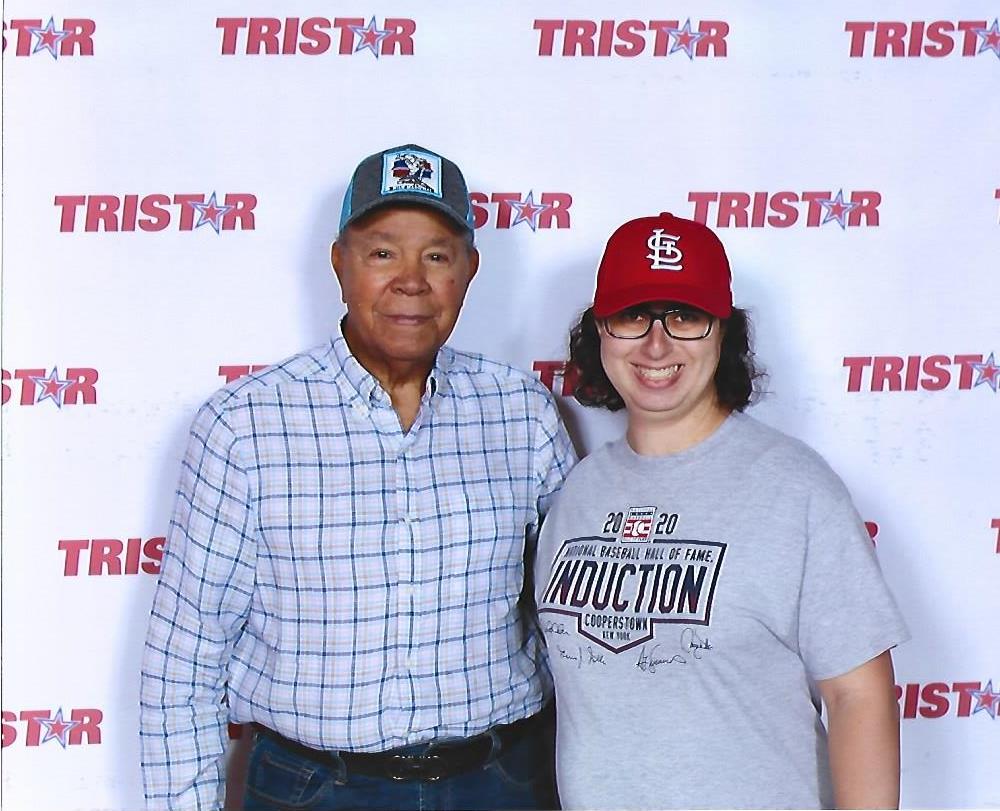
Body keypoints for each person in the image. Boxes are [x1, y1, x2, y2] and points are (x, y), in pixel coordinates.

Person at [140, 144, 576, 811]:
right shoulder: (245, 424)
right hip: (312, 788)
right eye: (382, 253)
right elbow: (184, 658)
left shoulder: (522, 412)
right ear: (340, 264)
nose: (411, 280)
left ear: (469, 270)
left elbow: (574, 624)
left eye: (436, 255)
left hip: (500, 782)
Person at [534, 212, 908, 810]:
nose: (657, 345)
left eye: (685, 317)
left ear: (723, 333)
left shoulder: (796, 489)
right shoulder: (578, 492)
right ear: (599, 332)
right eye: (633, 317)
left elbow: (858, 697)